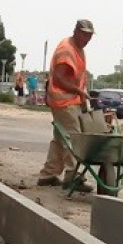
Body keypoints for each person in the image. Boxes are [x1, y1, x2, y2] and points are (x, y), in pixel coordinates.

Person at [36, 19, 96, 192]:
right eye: (84, 34)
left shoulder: (78, 49)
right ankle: (73, 177)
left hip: (71, 100)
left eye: (90, 36)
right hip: (64, 101)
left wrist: (81, 95)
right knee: (73, 137)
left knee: (60, 138)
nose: (87, 39)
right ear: (76, 31)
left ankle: (48, 175)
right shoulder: (66, 49)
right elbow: (60, 78)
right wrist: (79, 91)